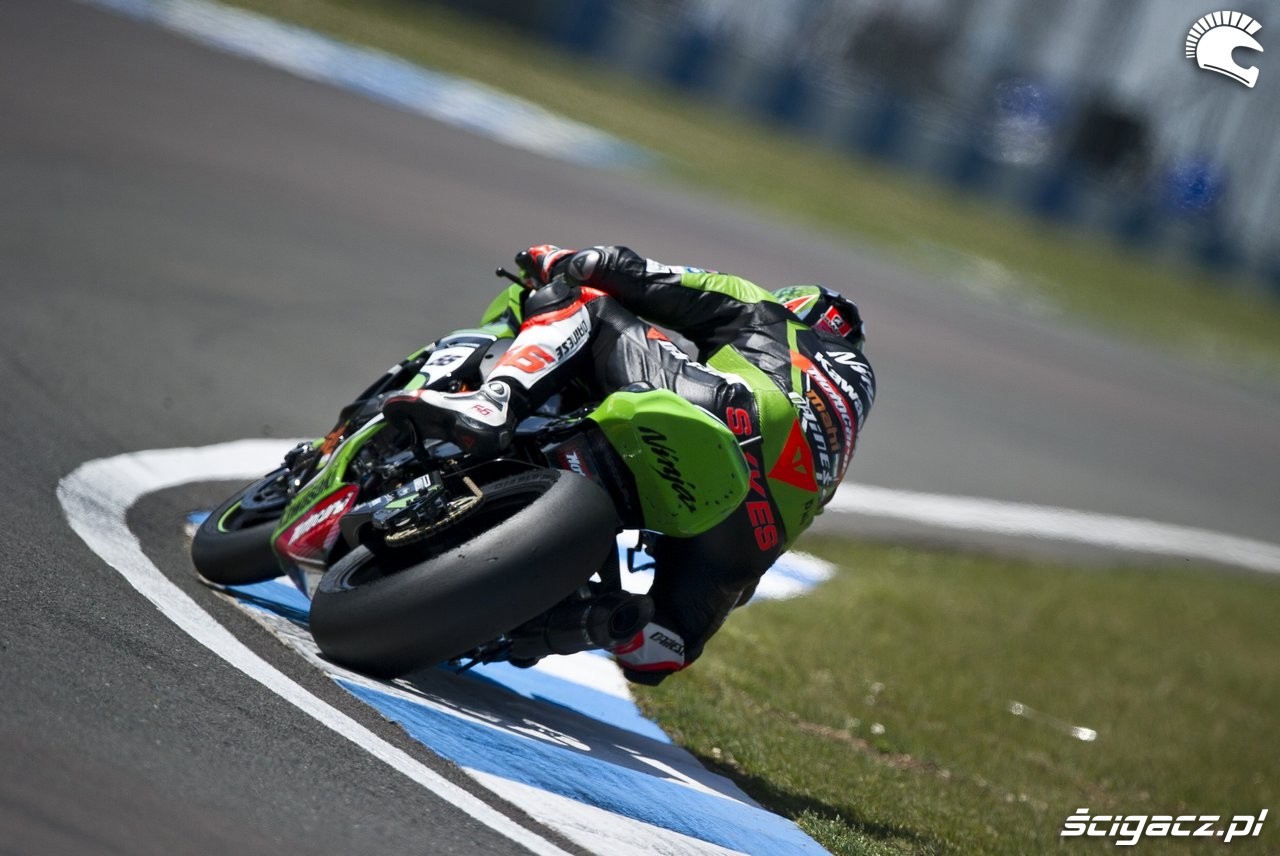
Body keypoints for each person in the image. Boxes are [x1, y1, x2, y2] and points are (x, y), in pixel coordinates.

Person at [382, 245, 875, 684]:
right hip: (752, 538)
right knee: (662, 647)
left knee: (585, 304)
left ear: (797, 307)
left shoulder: (771, 316)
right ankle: (585, 619)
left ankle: (494, 401)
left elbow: (636, 274)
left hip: (730, 417)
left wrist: (560, 260)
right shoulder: (840, 439)